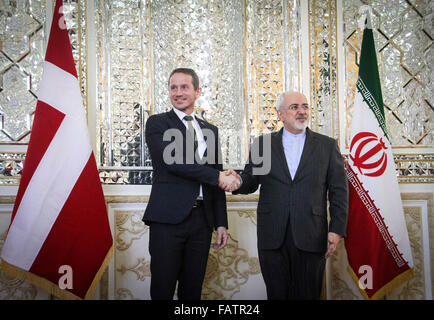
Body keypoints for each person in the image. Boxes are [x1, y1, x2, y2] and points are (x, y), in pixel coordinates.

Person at [229, 91, 348, 299]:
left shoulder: (327, 146)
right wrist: (236, 181)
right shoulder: (262, 145)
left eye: (305, 106)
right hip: (272, 236)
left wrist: (336, 230)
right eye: (294, 107)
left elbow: (339, 191)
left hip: (312, 234)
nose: (301, 111)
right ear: (280, 114)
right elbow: (250, 180)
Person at [143, 68, 239, 300]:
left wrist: (221, 223)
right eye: (173, 87)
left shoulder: (210, 130)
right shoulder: (157, 124)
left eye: (184, 87)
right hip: (167, 220)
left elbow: (214, 175)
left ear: (197, 91)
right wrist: (218, 177)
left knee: (192, 291)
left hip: (201, 222)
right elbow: (174, 161)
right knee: (162, 290)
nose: (178, 93)